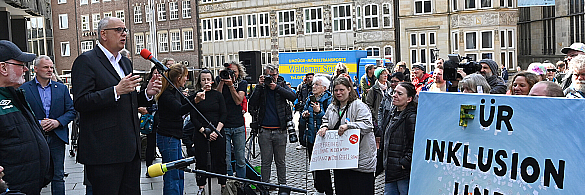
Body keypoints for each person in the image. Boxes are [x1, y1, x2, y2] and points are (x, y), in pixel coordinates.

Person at [71, 17, 162, 195]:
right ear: (103, 34)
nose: (124, 34)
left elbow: (128, 99)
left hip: (130, 149)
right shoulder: (86, 61)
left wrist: (146, 93)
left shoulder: (125, 62)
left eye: (125, 30)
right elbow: (81, 101)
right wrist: (115, 91)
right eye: (119, 30)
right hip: (105, 152)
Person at [19, 55, 76, 195]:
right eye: (46, 67)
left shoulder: (61, 89)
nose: (50, 70)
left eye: (51, 67)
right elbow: (21, 113)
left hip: (57, 138)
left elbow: (72, 111)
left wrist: (57, 122)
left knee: (58, 176)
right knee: (35, 177)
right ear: (36, 69)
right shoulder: (24, 89)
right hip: (35, 139)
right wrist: (38, 123)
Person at [0, 40, 50, 195]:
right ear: (3, 68)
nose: (26, 70)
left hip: (29, 186)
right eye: (20, 65)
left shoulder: (16, 95)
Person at [317, 77, 376, 195]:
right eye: (336, 90)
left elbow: (368, 125)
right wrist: (324, 127)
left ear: (349, 89)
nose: (338, 93)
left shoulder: (359, 106)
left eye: (341, 90)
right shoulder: (332, 107)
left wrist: (349, 126)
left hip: (359, 162)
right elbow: (326, 120)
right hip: (340, 161)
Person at [248, 64, 296, 194]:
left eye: (274, 75)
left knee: (280, 161)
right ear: (264, 75)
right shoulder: (261, 87)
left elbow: (293, 96)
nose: (272, 78)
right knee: (265, 162)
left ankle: (283, 187)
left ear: (277, 74)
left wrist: (277, 88)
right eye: (269, 75)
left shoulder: (282, 84)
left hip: (280, 130)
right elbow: (251, 103)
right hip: (264, 131)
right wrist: (259, 86)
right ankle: (264, 187)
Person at [183, 69, 227, 194]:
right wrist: (204, 132)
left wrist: (216, 131)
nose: (206, 82)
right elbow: (193, 117)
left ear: (212, 81)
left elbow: (223, 114)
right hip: (201, 132)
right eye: (203, 80)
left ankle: (223, 185)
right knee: (201, 160)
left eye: (208, 79)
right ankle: (201, 187)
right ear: (200, 82)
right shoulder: (196, 96)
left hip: (217, 131)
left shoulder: (218, 95)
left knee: (220, 159)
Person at [155, 64, 191, 195]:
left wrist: (196, 97)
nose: (187, 79)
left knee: (180, 171)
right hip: (168, 137)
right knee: (172, 174)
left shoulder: (176, 91)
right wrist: (196, 98)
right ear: (179, 78)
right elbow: (180, 109)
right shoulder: (167, 95)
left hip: (174, 137)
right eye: (185, 76)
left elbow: (186, 102)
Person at [215, 62, 248, 179]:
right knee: (226, 159)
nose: (231, 74)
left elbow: (238, 101)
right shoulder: (220, 81)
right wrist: (221, 82)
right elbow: (216, 97)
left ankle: (241, 184)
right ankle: (229, 185)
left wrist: (231, 86)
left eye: (234, 71)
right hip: (223, 125)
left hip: (238, 125)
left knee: (240, 159)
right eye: (230, 71)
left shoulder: (242, 83)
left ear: (239, 73)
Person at [383, 82, 417, 195]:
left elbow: (415, 143)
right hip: (391, 169)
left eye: (399, 93)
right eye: (394, 92)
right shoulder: (393, 113)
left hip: (402, 172)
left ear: (409, 99)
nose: (394, 95)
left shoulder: (411, 117)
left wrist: (404, 163)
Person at [301, 76, 333, 195]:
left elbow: (329, 118)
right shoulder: (310, 99)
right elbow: (303, 116)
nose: (313, 87)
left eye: (316, 85)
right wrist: (304, 115)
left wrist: (319, 112)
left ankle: (328, 191)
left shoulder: (328, 100)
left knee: (324, 167)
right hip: (311, 136)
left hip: (323, 137)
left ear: (324, 88)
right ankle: (319, 189)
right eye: (313, 84)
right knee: (314, 165)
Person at [140, 66, 161, 173]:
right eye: (155, 73)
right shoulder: (146, 86)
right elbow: (141, 102)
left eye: (159, 73)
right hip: (151, 120)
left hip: (162, 119)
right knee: (150, 144)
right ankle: (149, 168)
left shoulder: (165, 86)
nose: (157, 75)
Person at [366, 68, 390, 149]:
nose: (385, 75)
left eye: (386, 74)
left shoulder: (390, 87)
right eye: (383, 74)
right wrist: (375, 115)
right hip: (378, 120)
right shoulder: (373, 89)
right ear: (378, 76)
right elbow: (368, 104)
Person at [296, 72, 314, 149]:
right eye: (308, 77)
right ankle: (302, 143)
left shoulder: (315, 87)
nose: (309, 79)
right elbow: (299, 96)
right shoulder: (303, 87)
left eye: (311, 77)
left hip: (312, 108)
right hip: (303, 108)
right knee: (301, 125)